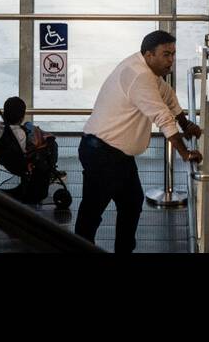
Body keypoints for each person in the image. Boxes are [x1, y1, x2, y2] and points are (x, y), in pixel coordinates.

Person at [76, 30, 202, 253]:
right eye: (166, 54)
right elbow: (162, 116)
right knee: (92, 212)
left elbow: (168, 96)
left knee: (131, 204)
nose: (171, 59)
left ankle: (123, 250)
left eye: (173, 54)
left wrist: (186, 125)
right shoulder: (139, 76)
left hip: (116, 154)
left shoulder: (148, 71)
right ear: (149, 54)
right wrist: (185, 154)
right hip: (101, 152)